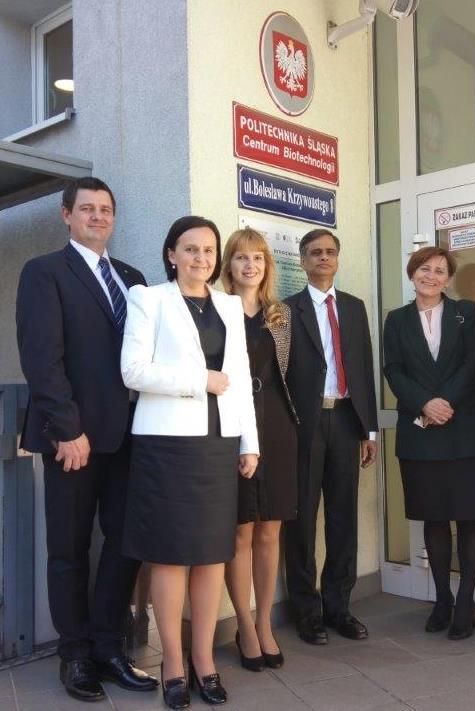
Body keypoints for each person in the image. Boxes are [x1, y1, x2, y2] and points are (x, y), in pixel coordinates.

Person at [15, 177, 158, 702]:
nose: (98, 217)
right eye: (87, 209)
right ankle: (74, 654)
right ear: (66, 215)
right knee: (69, 549)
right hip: (73, 440)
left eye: (106, 210)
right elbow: (42, 358)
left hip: (130, 438)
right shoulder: (45, 272)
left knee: (125, 544)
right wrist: (67, 429)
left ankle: (108, 647)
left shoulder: (133, 278)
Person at [120, 216, 259, 708]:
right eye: (190, 248)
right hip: (167, 446)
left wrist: (249, 442)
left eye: (208, 250)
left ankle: (204, 659)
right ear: (171, 254)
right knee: (170, 555)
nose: (201, 258)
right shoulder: (149, 299)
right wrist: (200, 379)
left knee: (211, 554)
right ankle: (173, 663)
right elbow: (133, 371)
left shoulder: (228, 305)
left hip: (219, 443)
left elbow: (239, 378)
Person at [383, 247, 475, 639]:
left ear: (448, 278)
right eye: (424, 269)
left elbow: (473, 362)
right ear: (412, 273)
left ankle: (466, 600)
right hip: (421, 431)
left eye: (439, 271)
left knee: (469, 516)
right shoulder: (396, 319)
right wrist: (424, 403)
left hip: (465, 428)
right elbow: (393, 370)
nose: (430, 276)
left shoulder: (467, 311)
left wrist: (443, 401)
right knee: (433, 517)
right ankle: (443, 599)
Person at [284, 228, 378, 645]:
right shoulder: (286, 310)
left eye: (330, 252)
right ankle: (306, 611)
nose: (323, 257)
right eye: (315, 252)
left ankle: (339, 607)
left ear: (337, 259)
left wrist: (368, 429)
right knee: (301, 520)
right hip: (303, 424)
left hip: (344, 421)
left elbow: (363, 369)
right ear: (303, 260)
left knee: (343, 518)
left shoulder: (354, 308)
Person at [221, 227, 298, 671]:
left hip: (278, 426)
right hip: (234, 426)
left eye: (258, 258)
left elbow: (292, 375)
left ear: (267, 266)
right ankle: (244, 626)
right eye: (241, 257)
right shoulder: (217, 309)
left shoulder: (280, 314)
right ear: (228, 266)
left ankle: (265, 622)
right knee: (241, 531)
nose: (250, 265)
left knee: (271, 530)